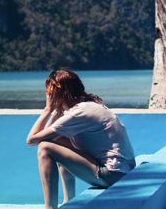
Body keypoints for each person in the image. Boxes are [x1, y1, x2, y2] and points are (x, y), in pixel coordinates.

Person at [26, 69, 136, 209]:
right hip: (123, 172)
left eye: (50, 94)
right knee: (58, 142)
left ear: (58, 94)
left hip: (113, 175)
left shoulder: (78, 113)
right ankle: (69, 202)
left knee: (45, 148)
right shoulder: (88, 106)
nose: (49, 97)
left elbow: (32, 140)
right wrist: (57, 111)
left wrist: (47, 109)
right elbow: (51, 136)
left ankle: (50, 207)